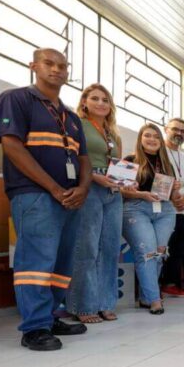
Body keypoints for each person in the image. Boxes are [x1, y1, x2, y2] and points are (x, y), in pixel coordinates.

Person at [0, 48, 90, 350]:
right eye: (49, 63)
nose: (57, 69)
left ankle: (49, 315)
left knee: (61, 262)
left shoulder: (70, 116)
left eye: (62, 65)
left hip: (71, 198)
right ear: (33, 65)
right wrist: (54, 189)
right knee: (36, 261)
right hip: (35, 195)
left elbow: (82, 157)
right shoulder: (16, 98)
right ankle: (33, 327)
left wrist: (83, 189)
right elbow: (12, 146)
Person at [67, 83, 122, 325]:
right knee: (86, 247)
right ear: (85, 102)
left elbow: (117, 163)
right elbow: (71, 156)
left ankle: (105, 303)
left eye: (105, 100)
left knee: (110, 248)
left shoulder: (112, 134)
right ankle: (83, 305)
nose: (101, 103)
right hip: (90, 186)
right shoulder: (77, 125)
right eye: (95, 99)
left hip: (113, 191)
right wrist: (93, 176)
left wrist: (123, 182)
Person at [120, 123, 181, 315]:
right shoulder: (129, 160)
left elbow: (173, 198)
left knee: (159, 253)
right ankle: (155, 300)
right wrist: (139, 194)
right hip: (137, 209)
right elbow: (118, 190)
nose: (152, 139)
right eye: (147, 135)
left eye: (156, 136)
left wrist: (176, 190)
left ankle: (147, 296)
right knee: (147, 253)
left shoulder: (166, 164)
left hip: (165, 211)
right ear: (140, 139)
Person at [160, 118, 184, 298]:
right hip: (165, 207)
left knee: (179, 248)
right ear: (166, 129)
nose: (179, 133)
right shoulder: (160, 152)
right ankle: (161, 284)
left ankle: (172, 283)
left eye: (183, 131)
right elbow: (158, 179)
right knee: (163, 247)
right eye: (175, 129)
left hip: (183, 209)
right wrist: (173, 198)